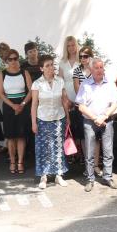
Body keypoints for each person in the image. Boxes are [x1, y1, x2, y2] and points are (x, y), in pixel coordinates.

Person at [74, 57, 117, 192]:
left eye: (101, 67)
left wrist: (104, 116)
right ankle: (90, 179)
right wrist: (95, 118)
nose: (100, 70)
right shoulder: (85, 84)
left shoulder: (110, 84)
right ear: (91, 69)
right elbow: (81, 106)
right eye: (96, 68)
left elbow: (115, 103)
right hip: (90, 121)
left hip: (107, 120)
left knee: (108, 151)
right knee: (89, 152)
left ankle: (108, 177)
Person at [29, 55, 70, 189]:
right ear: (41, 68)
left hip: (59, 118)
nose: (51, 67)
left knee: (58, 147)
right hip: (42, 119)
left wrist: (68, 117)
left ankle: (59, 175)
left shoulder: (60, 81)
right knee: (43, 148)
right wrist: (33, 123)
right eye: (47, 65)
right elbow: (34, 104)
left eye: (52, 64)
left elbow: (64, 100)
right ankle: (44, 176)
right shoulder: (37, 84)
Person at [0, 50, 32, 174]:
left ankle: (20, 162)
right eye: (10, 59)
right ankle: (12, 161)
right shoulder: (2, 74)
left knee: (21, 136)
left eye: (15, 58)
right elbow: (1, 93)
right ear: (6, 61)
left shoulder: (24, 72)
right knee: (11, 136)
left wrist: (22, 105)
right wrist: (13, 105)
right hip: (9, 106)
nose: (13, 61)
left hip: (23, 105)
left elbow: (31, 91)